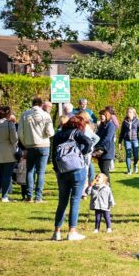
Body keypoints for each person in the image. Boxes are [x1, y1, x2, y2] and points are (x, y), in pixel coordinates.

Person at [51, 113, 93, 241]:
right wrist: (82, 153)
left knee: (62, 201)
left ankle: (56, 232)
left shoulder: (58, 135)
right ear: (79, 125)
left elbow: (53, 154)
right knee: (75, 200)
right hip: (76, 169)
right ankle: (72, 231)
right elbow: (89, 142)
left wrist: (57, 169)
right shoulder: (76, 133)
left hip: (62, 170)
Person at [19, 96, 55, 203]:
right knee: (41, 172)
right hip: (43, 145)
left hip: (30, 145)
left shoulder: (25, 114)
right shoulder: (46, 115)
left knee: (29, 171)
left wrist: (26, 144)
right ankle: (38, 197)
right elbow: (50, 132)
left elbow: (20, 133)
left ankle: (29, 196)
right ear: (41, 104)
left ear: (32, 103)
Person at [0, 106, 19, 202]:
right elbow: (14, 140)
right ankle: (4, 196)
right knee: (7, 175)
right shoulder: (9, 124)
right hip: (8, 152)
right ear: (8, 114)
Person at [119, 107, 139, 174]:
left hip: (135, 140)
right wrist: (119, 142)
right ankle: (129, 170)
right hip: (127, 140)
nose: (129, 113)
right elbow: (122, 132)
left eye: (130, 112)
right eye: (128, 112)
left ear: (134, 113)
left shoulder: (137, 120)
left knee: (136, 155)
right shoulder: (125, 122)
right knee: (128, 154)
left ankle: (135, 165)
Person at [94, 107, 118, 179]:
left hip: (107, 150)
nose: (101, 117)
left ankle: (108, 188)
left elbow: (108, 138)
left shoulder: (111, 125)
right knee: (102, 170)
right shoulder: (101, 125)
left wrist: (99, 145)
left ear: (107, 116)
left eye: (103, 115)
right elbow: (97, 136)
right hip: (100, 150)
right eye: (100, 115)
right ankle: (104, 188)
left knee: (105, 170)